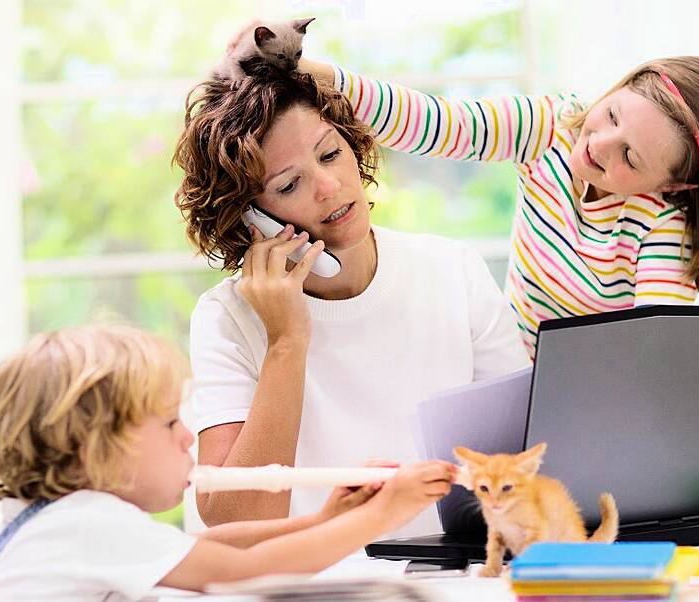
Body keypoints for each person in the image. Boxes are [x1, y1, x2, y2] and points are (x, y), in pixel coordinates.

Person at [172, 61, 529, 534]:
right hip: (302, 582)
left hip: (446, 574)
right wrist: (286, 341)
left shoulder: (451, 270)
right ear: (249, 220)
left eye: (328, 154)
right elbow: (235, 523)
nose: (329, 186)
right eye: (289, 184)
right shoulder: (226, 319)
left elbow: (527, 461)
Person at [298, 55, 699, 357]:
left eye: (630, 156)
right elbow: (440, 125)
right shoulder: (551, 127)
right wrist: (324, 76)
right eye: (612, 115)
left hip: (584, 402)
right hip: (504, 368)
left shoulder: (664, 225)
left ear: (675, 186)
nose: (599, 144)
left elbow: (653, 351)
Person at [0, 324, 456, 600]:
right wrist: (382, 516)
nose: (186, 438)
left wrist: (326, 520)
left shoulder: (67, 524)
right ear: (97, 449)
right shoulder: (83, 525)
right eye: (166, 423)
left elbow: (208, 546)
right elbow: (239, 571)